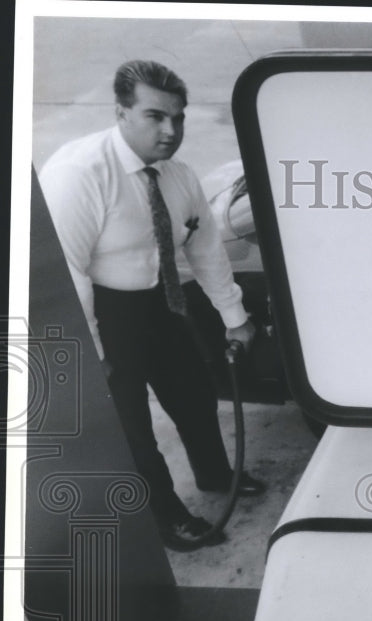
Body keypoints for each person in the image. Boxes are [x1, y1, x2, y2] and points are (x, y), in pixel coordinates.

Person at [39, 60, 266, 551]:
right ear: (121, 113)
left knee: (194, 393)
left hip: (161, 300)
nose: (170, 130)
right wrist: (92, 353)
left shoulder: (177, 175)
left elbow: (204, 248)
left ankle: (213, 474)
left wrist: (235, 318)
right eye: (155, 117)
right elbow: (70, 271)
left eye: (178, 118)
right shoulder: (80, 174)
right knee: (133, 429)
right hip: (103, 311)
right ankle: (166, 515)